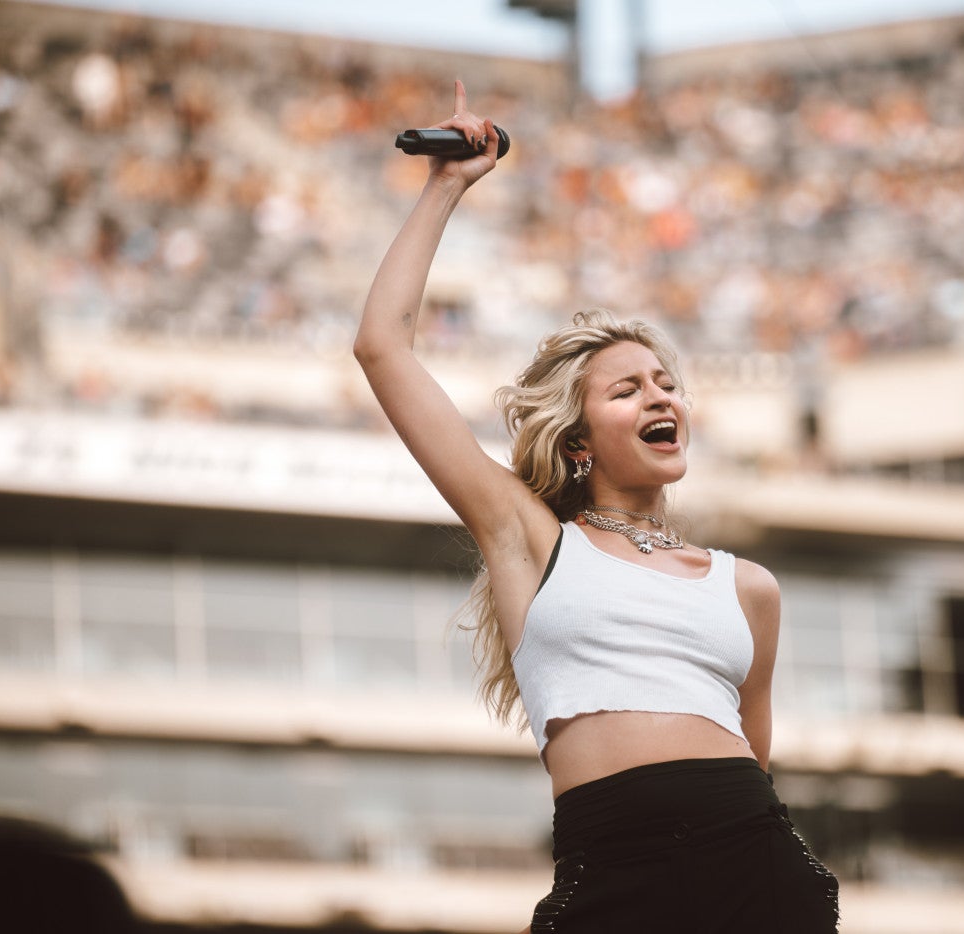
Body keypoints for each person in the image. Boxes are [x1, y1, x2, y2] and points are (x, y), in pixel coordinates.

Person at [354, 80, 839, 933]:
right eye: (627, 390)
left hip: (754, 864)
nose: (662, 397)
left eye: (668, 383)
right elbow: (382, 346)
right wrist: (447, 188)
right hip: (611, 869)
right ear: (578, 440)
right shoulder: (530, 540)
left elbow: (752, 763)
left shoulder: (748, 587)